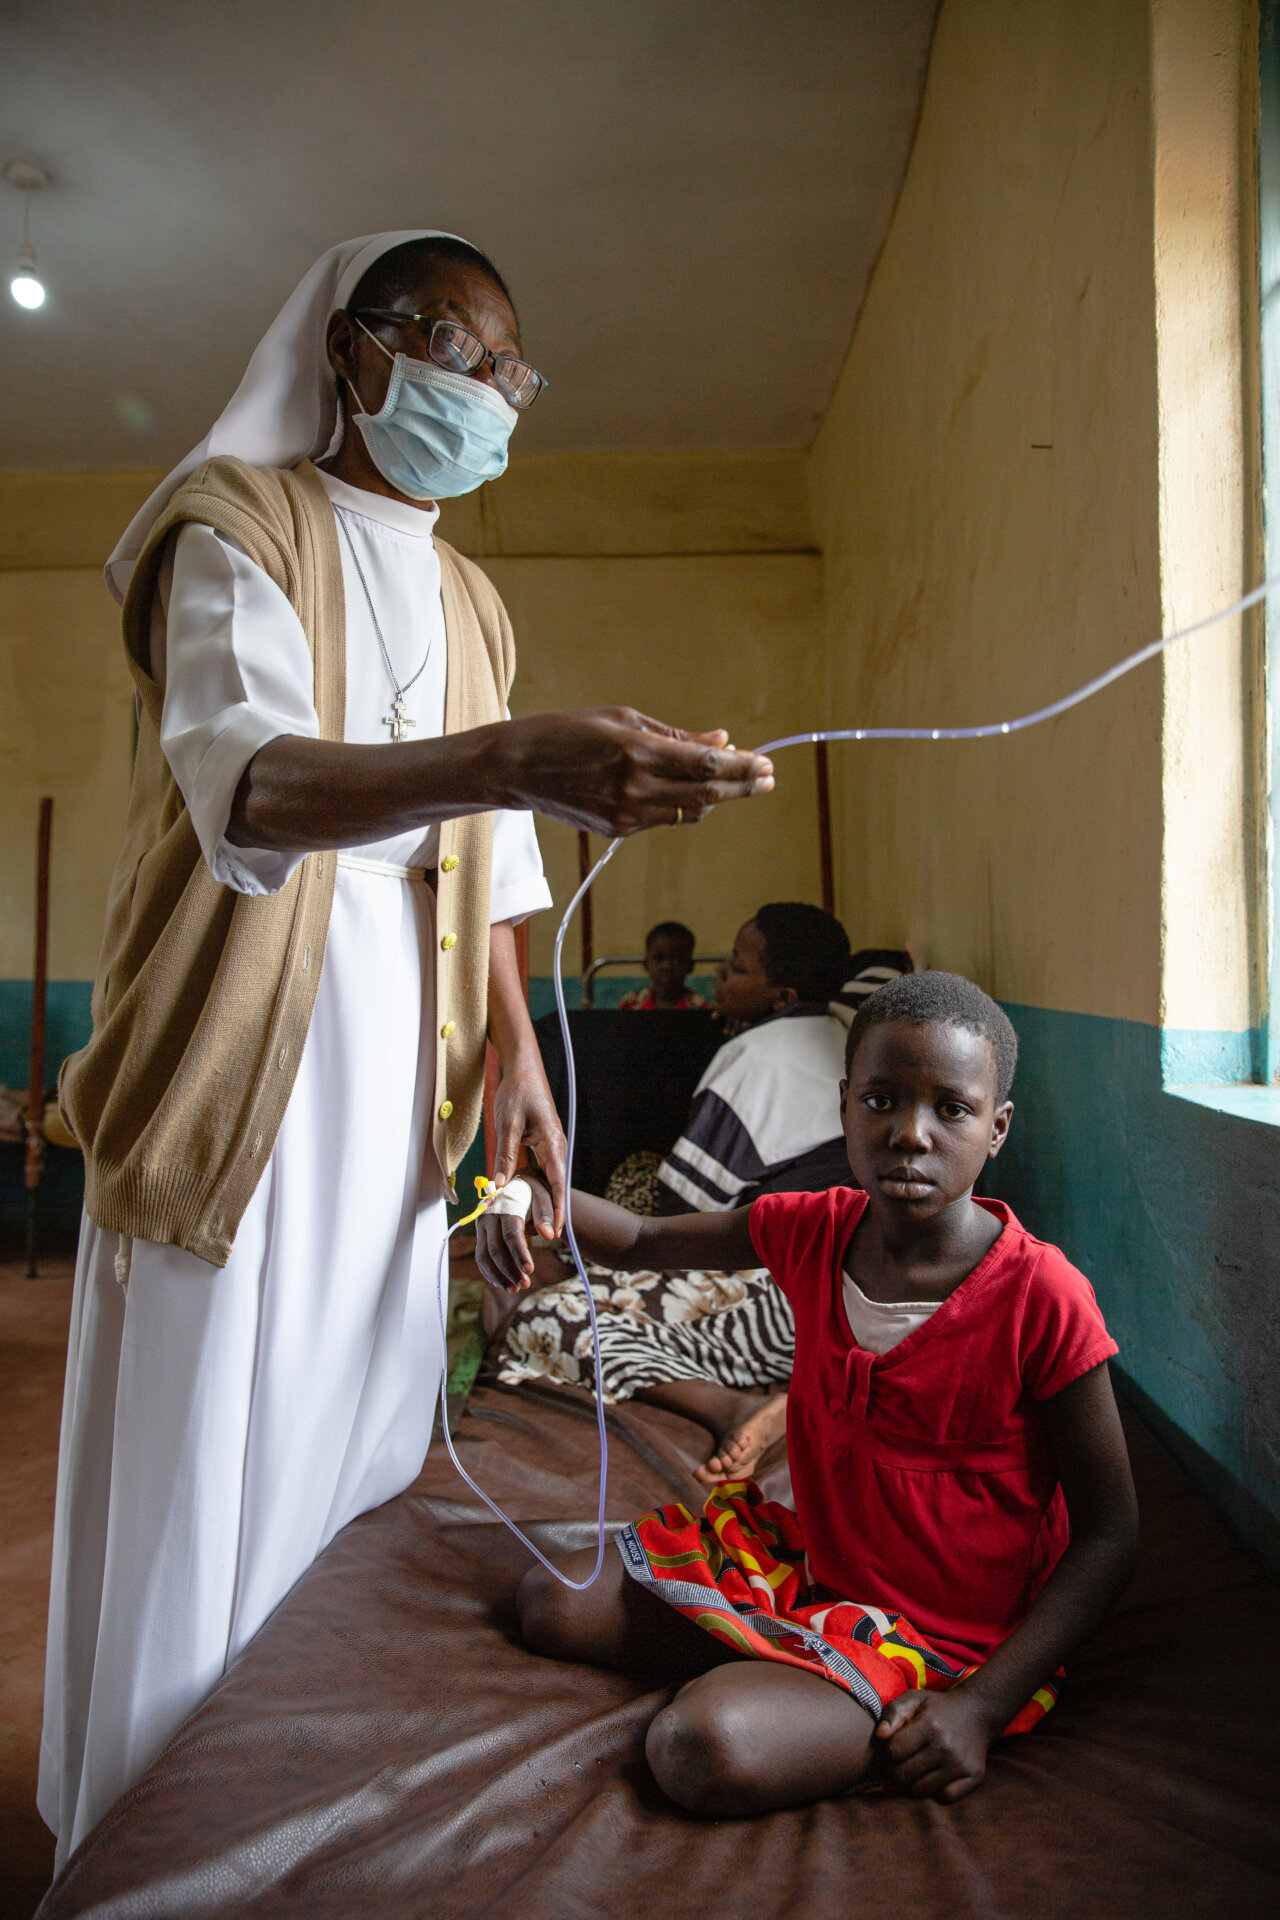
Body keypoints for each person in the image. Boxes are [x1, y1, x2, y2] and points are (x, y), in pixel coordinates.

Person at [40, 229, 773, 1865]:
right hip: (249, 1043)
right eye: (449, 344)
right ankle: (145, 1830)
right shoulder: (231, 528)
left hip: (405, 1058)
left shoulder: (466, 596)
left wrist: (515, 1052)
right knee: (216, 1427)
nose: (485, 388)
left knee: (362, 1421)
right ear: (350, 349)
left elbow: (493, 863)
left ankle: (294, 1803)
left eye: (509, 367)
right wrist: (512, 755)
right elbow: (255, 786)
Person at [479, 972, 1138, 1815]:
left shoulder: (1043, 1297)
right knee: (551, 1603)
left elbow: (1111, 1533)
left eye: (952, 1110)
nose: (911, 1134)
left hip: (944, 1638)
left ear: (997, 1128)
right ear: (844, 1106)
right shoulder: (817, 1228)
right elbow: (642, 1238)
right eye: (881, 1101)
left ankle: (807, 1682)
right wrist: (526, 1194)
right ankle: (793, 1661)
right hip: (812, 1568)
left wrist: (982, 1705)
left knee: (701, 1748)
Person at [491, 908, 907, 1484]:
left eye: (737, 966)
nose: (719, 977)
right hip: (842, 1283)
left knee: (545, 1315)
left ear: (783, 997)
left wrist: (573, 1233)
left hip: (788, 1302)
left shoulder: (756, 1060)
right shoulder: (845, 1034)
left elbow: (679, 1220)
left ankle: (734, 1408)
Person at [617, 922, 708, 1009]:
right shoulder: (631, 1006)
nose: (666, 966)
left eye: (676, 960)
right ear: (646, 964)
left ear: (690, 966)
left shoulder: (700, 1008)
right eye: (659, 958)